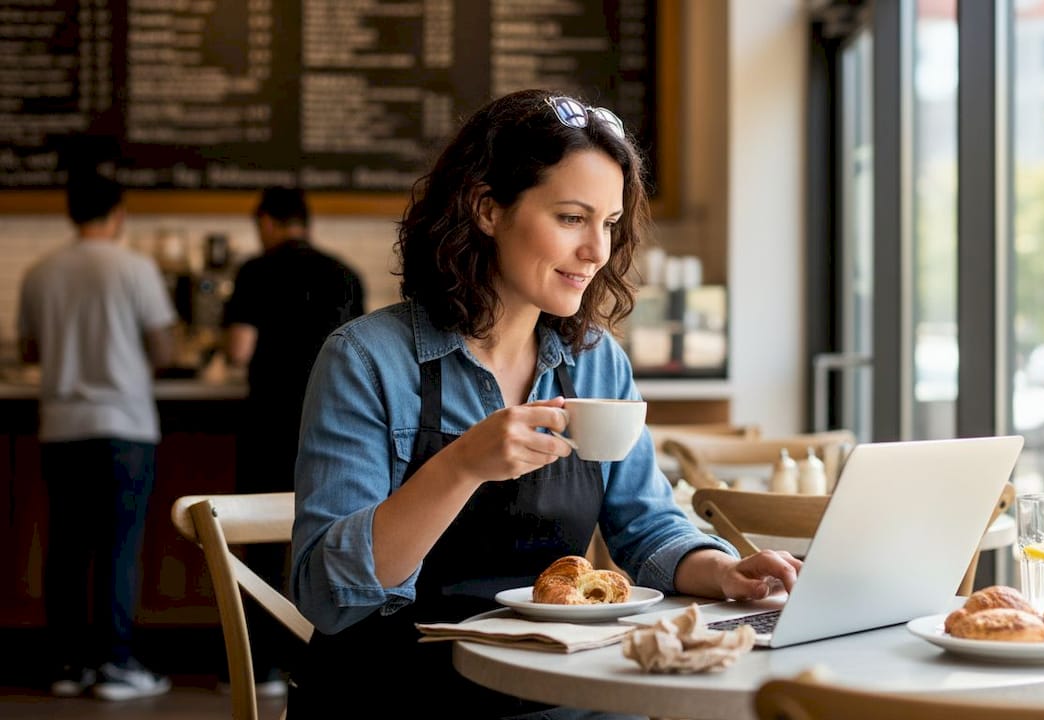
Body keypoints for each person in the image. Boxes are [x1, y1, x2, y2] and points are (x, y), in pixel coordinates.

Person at [286, 89, 802, 718]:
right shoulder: (367, 360)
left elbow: (645, 527)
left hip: (557, 688)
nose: (597, 251)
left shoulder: (596, 360)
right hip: (397, 693)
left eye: (609, 224)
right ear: (486, 209)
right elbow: (328, 594)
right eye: (570, 218)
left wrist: (724, 570)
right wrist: (461, 465)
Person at [17, 171, 176, 701]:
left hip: (61, 425)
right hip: (123, 425)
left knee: (65, 547)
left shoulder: (40, 272)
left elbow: (29, 353)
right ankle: (117, 664)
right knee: (118, 548)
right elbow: (164, 351)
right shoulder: (135, 268)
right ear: (118, 214)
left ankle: (66, 666)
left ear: (70, 214)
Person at [219, 186, 365, 694]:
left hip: (268, 421)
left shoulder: (255, 271)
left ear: (266, 222)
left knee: (259, 547)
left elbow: (239, 350)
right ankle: (316, 666)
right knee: (327, 538)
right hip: (338, 426)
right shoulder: (346, 274)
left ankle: (263, 668)